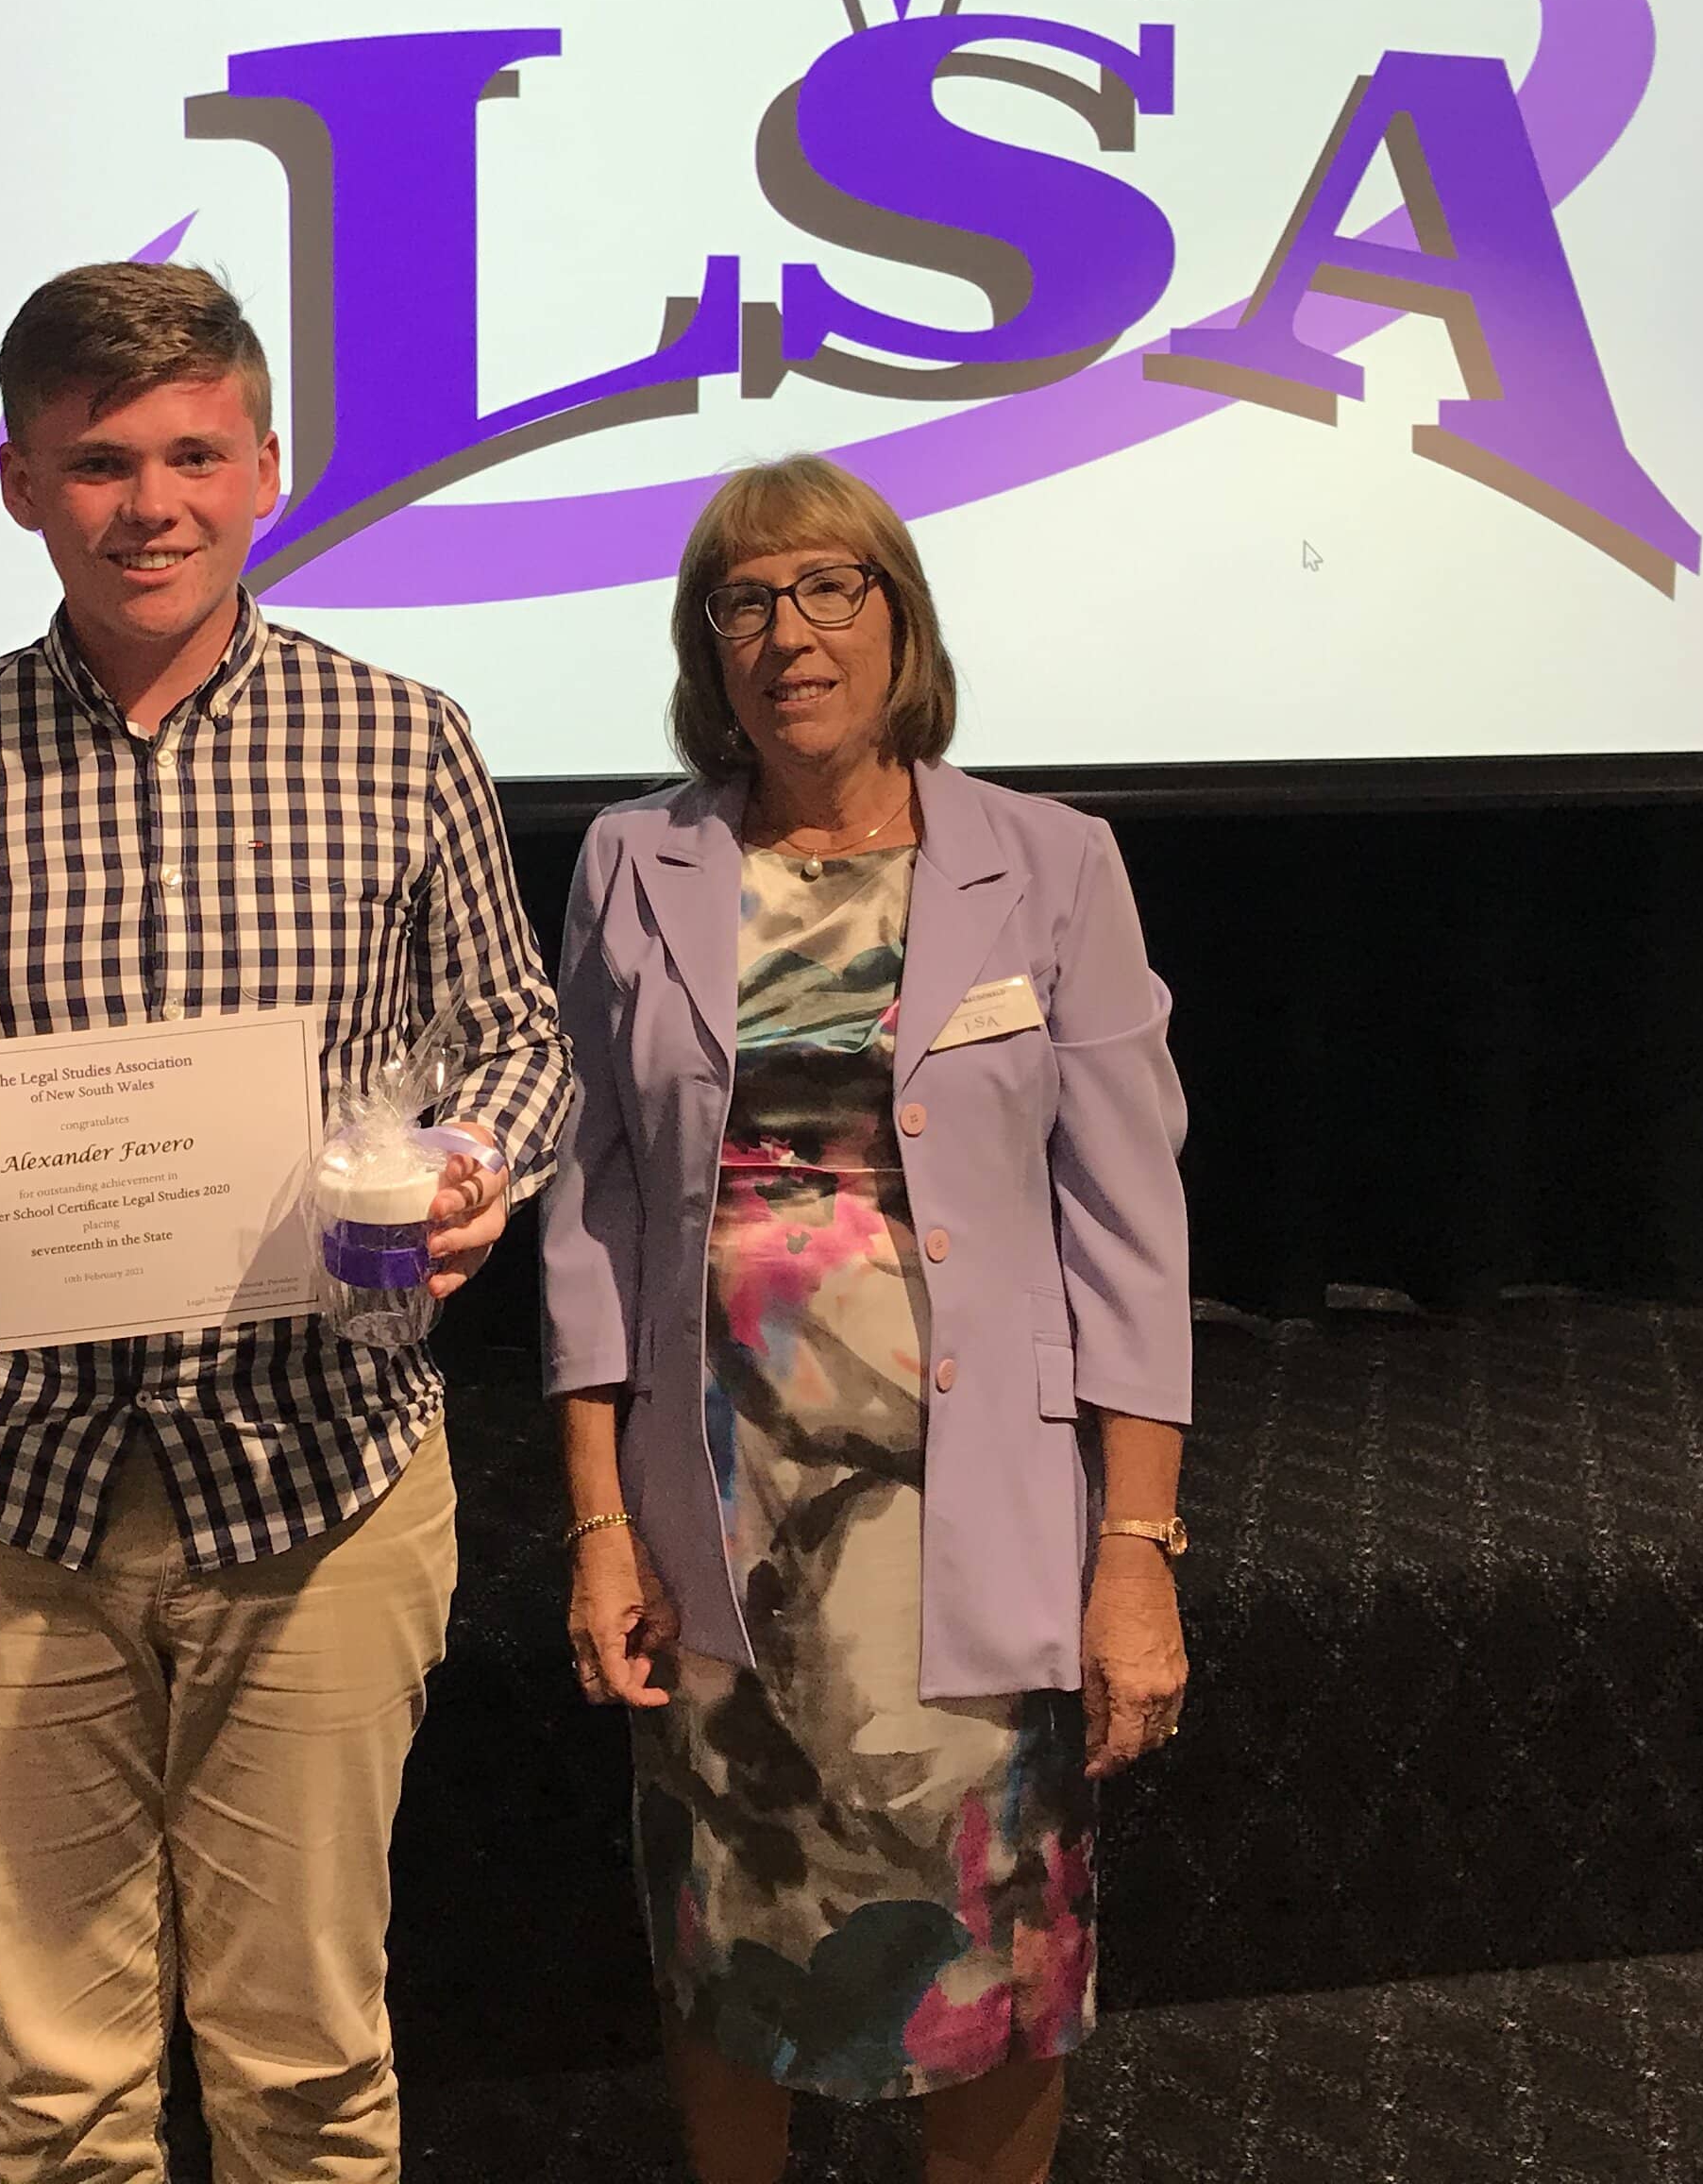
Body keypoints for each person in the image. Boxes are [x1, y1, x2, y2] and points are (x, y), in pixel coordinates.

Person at [0, 262, 574, 2184]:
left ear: (267, 467)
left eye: (194, 454)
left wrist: (473, 1167)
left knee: (309, 2074)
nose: (151, 505)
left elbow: (520, 1045)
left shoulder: (404, 739)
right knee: (56, 2095)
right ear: (19, 481)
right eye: (100, 461)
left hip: (321, 1480)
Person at [536, 453, 1194, 2184]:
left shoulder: (1051, 864)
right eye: (744, 602)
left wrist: (1137, 1549)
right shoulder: (633, 861)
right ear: (707, 649)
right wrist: (598, 1521)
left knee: (994, 1956)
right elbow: (592, 1208)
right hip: (720, 1506)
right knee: (729, 1935)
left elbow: (1132, 1228)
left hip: (971, 1507)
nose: (789, 635)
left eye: (831, 589)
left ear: (902, 622)